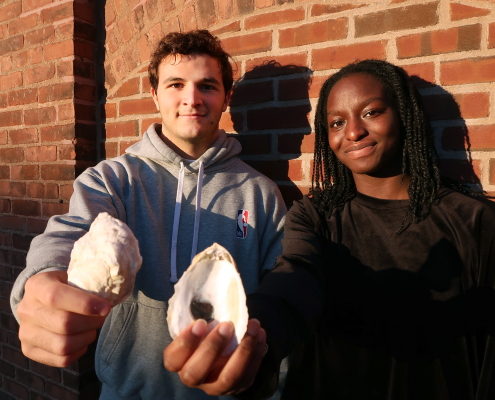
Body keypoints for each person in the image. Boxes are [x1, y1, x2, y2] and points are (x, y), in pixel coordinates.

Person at [163, 59, 495, 400]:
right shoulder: (316, 215)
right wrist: (254, 341)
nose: (353, 132)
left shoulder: (474, 221)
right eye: (337, 122)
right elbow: (293, 280)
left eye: (371, 112)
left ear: (404, 115)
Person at [10, 30, 286, 400]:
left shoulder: (262, 193)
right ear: (154, 94)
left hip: (228, 392)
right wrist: (43, 281)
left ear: (226, 98)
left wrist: (266, 366)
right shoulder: (113, 178)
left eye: (207, 86)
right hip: (128, 391)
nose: (192, 99)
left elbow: (282, 293)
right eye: (176, 84)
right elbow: (71, 233)